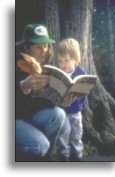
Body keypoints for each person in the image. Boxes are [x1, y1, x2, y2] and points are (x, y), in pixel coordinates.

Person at [16, 24, 71, 161]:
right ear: (26, 47)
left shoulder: (41, 66)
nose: (44, 51)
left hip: (27, 116)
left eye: (46, 46)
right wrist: (22, 87)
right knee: (40, 146)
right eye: (38, 47)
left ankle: (45, 160)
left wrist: (62, 99)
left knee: (58, 114)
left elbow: (38, 103)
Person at [56, 38, 87, 161]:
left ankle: (77, 157)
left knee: (76, 135)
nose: (63, 65)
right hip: (62, 112)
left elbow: (86, 90)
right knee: (63, 137)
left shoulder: (81, 72)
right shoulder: (58, 72)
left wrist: (76, 96)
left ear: (76, 59)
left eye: (66, 61)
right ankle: (63, 157)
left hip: (75, 112)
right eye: (60, 61)